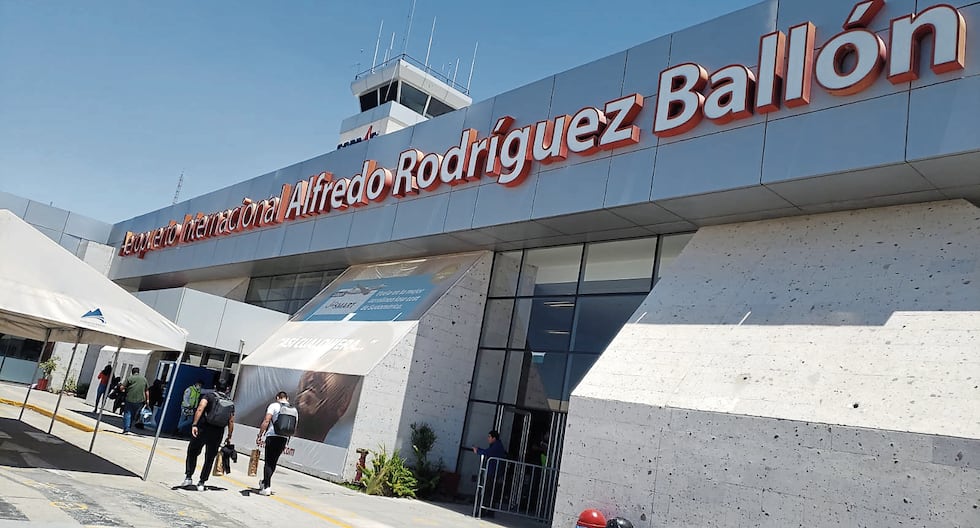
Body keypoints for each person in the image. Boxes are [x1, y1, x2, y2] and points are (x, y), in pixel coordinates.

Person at [181, 380, 235, 492]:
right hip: (218, 432)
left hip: (203, 428)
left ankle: (188, 477)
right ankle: (202, 482)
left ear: (215, 387)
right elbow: (231, 421)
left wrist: (194, 424)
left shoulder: (209, 396)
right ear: (227, 389)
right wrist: (229, 436)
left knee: (193, 451)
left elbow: (200, 408)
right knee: (210, 457)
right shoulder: (230, 402)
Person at [255, 391, 296, 496]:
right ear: (287, 398)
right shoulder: (294, 410)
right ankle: (265, 482)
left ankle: (267, 487)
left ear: (278, 397)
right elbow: (293, 427)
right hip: (283, 438)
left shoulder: (274, 405)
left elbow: (266, 420)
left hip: (272, 436)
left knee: (268, 462)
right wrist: (288, 440)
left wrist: (260, 434)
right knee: (273, 462)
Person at [472, 429, 508, 517]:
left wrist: (478, 451)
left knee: (487, 492)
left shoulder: (496, 446)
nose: (488, 438)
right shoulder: (496, 445)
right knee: (490, 492)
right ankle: (489, 511)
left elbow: (487, 453)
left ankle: (483, 511)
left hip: (492, 472)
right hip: (493, 472)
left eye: (489, 437)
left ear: (494, 438)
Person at [121, 367, 148, 435]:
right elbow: (146, 390)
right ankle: (128, 427)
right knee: (133, 415)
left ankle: (126, 429)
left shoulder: (130, 378)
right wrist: (147, 400)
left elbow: (122, 387)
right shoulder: (144, 379)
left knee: (127, 413)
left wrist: (123, 389)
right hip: (140, 400)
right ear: (138, 372)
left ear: (132, 372)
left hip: (129, 398)